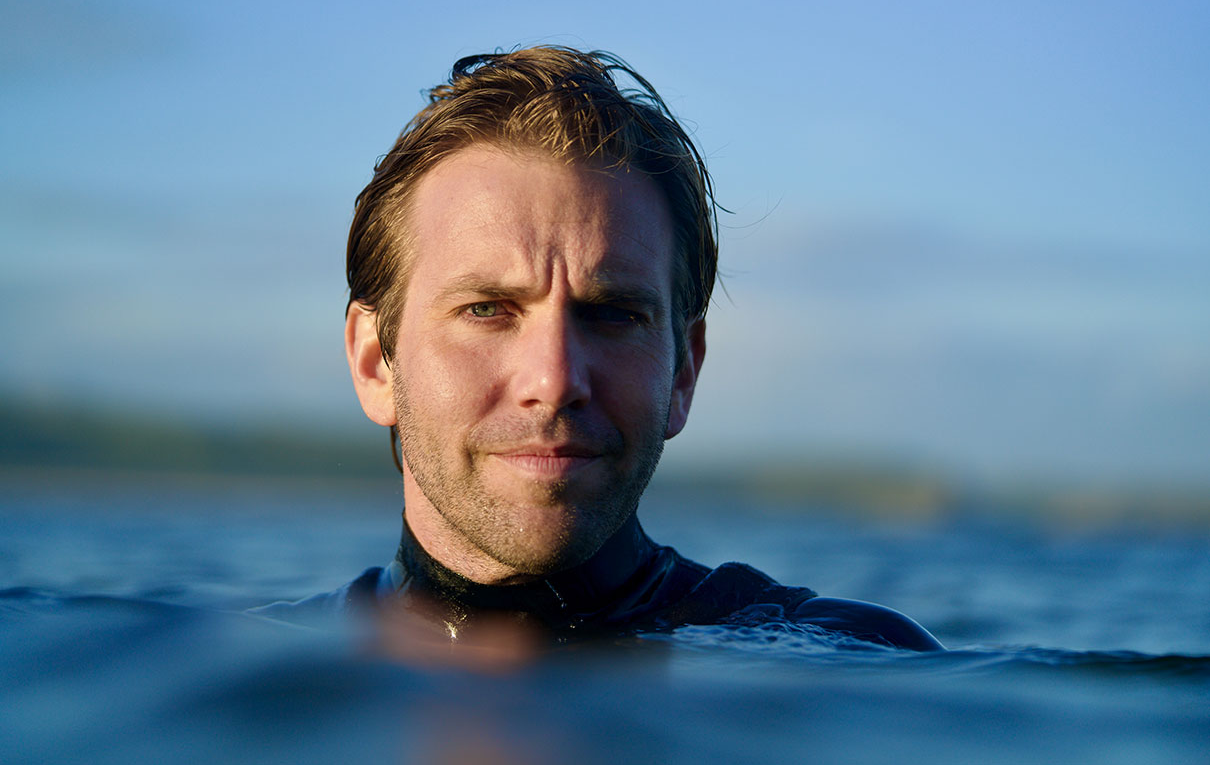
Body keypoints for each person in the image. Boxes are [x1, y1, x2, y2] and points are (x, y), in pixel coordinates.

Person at [255, 46, 942, 652]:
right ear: (376, 361)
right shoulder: (258, 682)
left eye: (612, 313)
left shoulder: (849, 665)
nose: (554, 380)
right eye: (487, 309)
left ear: (684, 368)